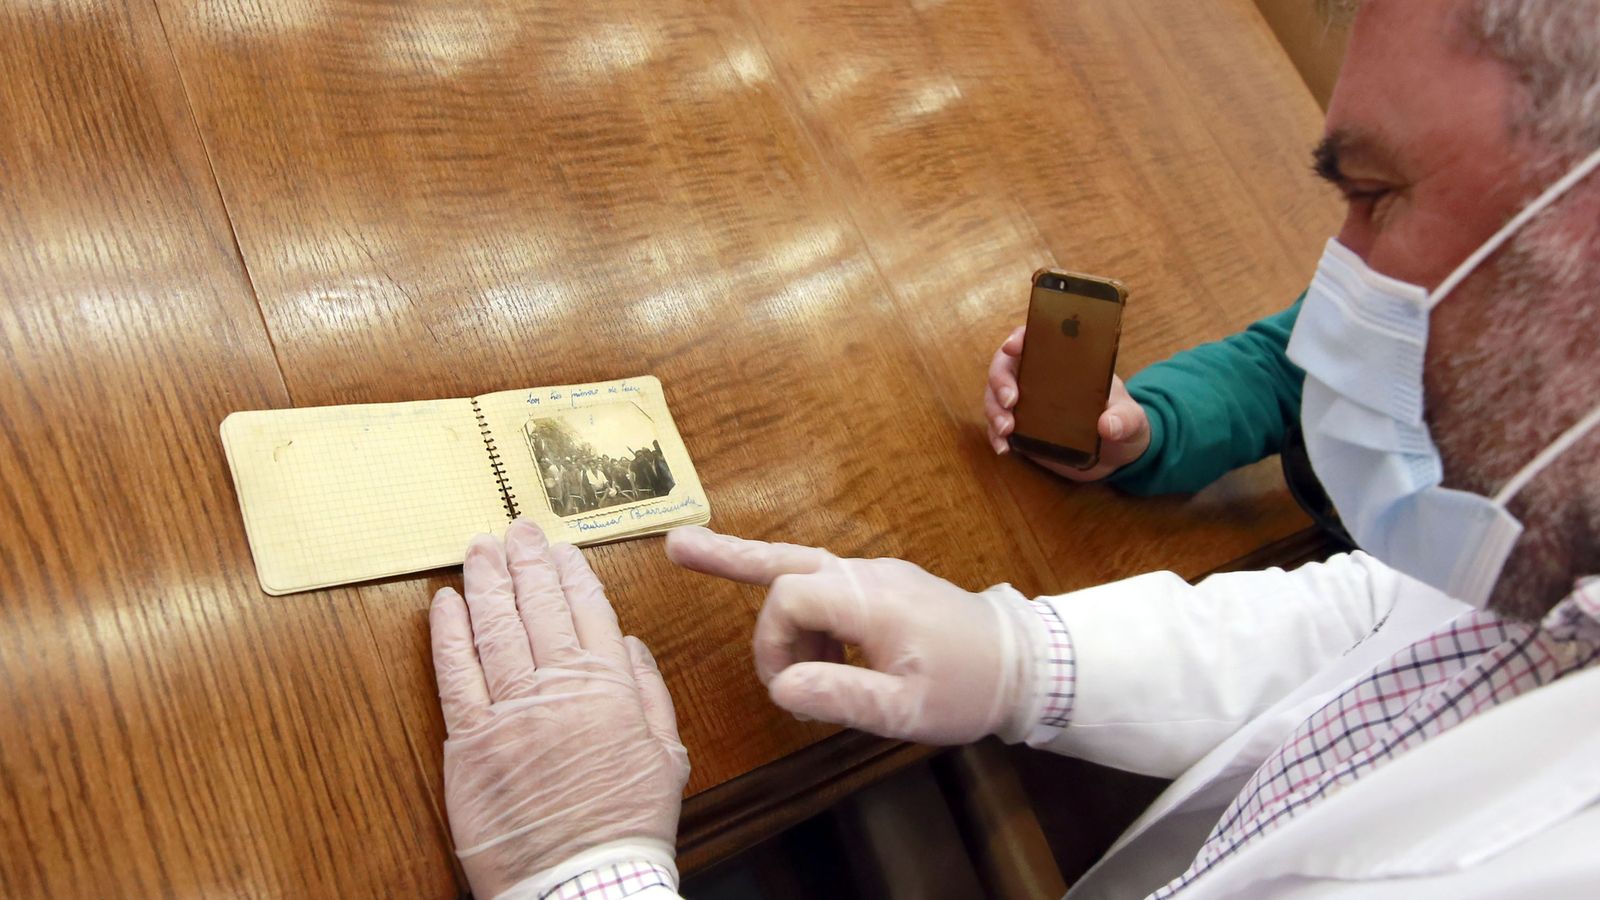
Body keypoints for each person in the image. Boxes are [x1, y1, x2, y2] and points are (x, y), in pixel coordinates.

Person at [426, 1, 1600, 897]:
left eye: (1377, 195)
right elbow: (1380, 620)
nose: (1337, 285)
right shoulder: (1550, 545)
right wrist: (1024, 655)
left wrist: (578, 870)